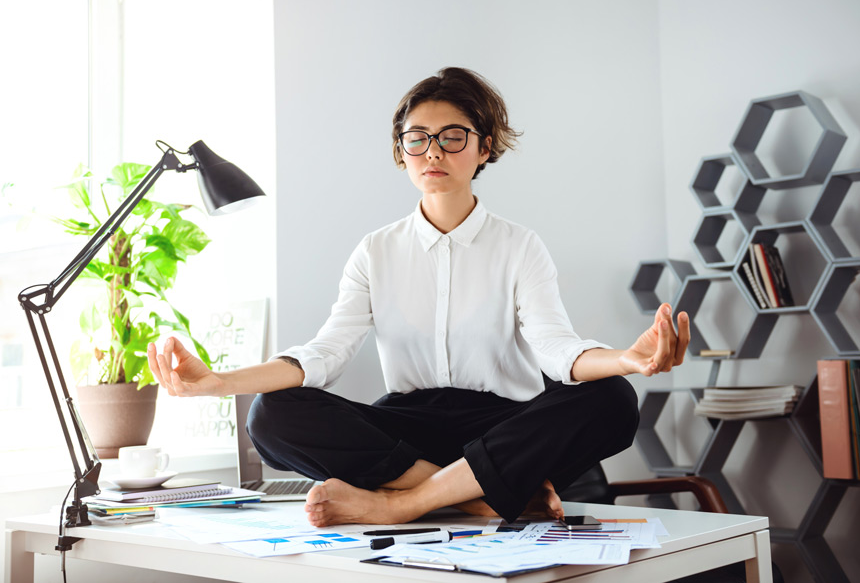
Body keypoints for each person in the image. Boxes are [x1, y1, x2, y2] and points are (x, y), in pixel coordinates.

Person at [147, 67, 689, 527]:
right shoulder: (375, 250)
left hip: (502, 428)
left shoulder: (520, 246)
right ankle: (476, 498)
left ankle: (400, 506)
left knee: (613, 399)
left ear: (483, 147)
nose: (434, 151)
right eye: (417, 138)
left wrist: (627, 359)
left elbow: (555, 349)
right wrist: (218, 383)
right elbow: (325, 353)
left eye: (453, 136)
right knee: (270, 415)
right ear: (401, 152)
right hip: (408, 435)